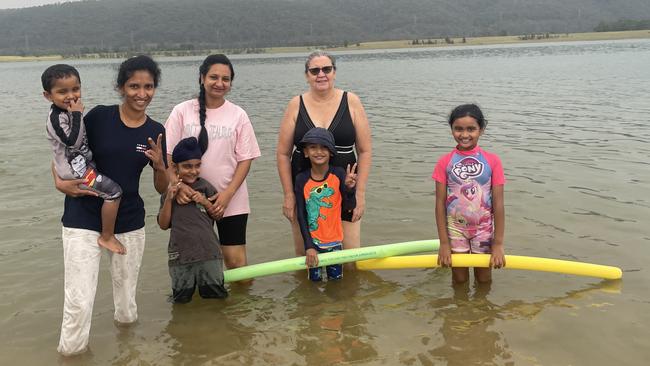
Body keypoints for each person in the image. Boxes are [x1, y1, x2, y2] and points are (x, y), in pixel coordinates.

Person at [51, 55, 167, 356]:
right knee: (79, 301)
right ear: (120, 87)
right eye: (134, 86)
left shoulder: (155, 130)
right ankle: (72, 356)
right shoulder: (99, 116)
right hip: (82, 216)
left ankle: (127, 354)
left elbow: (163, 188)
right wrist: (59, 182)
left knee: (127, 306)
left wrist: (159, 166)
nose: (142, 93)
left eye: (148, 86)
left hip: (129, 220)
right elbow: (66, 151)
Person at [165, 54, 260, 270]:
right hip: (189, 199)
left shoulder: (238, 114)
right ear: (202, 78)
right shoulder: (182, 111)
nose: (219, 83)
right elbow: (167, 156)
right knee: (194, 261)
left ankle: (241, 304)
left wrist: (227, 195)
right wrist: (177, 187)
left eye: (225, 79)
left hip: (230, 198)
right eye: (213, 77)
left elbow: (245, 159)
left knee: (236, 263)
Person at [277, 50, 372, 257]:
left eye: (326, 69)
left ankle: (347, 290)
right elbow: (283, 154)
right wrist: (288, 194)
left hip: (346, 186)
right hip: (304, 186)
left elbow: (364, 151)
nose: (321, 74)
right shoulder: (295, 104)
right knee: (305, 255)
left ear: (334, 72)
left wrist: (360, 194)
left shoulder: (351, 101)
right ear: (307, 75)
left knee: (350, 255)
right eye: (315, 70)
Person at [42, 64, 125, 255]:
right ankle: (107, 236)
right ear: (48, 96)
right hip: (76, 171)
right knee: (114, 192)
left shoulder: (66, 112)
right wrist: (78, 114)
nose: (71, 96)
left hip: (79, 164)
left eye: (75, 89)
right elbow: (72, 142)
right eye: (62, 91)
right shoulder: (56, 118)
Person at [432, 104, 506, 284]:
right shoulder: (444, 162)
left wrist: (497, 244)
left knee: (484, 278)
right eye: (458, 129)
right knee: (459, 279)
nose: (464, 135)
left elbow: (499, 204)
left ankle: (482, 310)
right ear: (452, 130)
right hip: (455, 229)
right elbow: (440, 204)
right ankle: (461, 310)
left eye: (471, 129)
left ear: (481, 129)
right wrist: (443, 243)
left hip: (484, 229)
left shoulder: (492, 161)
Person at [158, 137, 228, 303]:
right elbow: (163, 224)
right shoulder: (170, 193)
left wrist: (204, 201)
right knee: (181, 301)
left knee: (216, 300)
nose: (193, 171)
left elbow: (218, 216)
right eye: (187, 166)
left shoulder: (206, 187)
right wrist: (169, 198)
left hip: (209, 253)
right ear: (175, 168)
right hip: (180, 257)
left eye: (197, 165)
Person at [294, 128, 357, 281]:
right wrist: (308, 246)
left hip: (335, 243)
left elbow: (349, 206)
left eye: (323, 147)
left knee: (336, 283)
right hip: (313, 245)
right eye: (313, 147)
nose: (319, 152)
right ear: (306, 152)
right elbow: (301, 215)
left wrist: (349, 188)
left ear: (331, 152)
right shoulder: (301, 179)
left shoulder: (339, 175)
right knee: (313, 286)